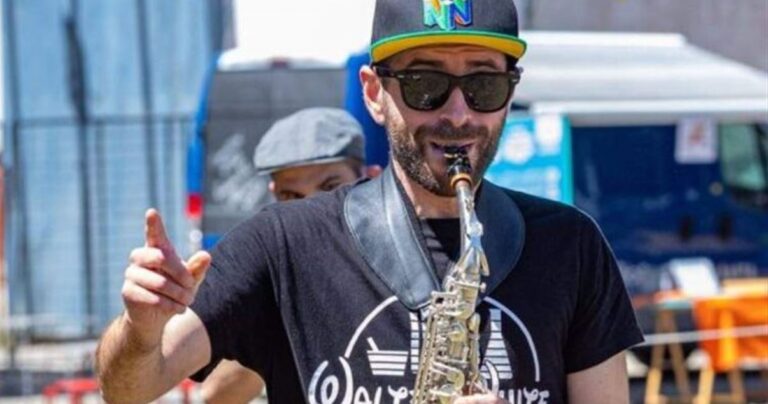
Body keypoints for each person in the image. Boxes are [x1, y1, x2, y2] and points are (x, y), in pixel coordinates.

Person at [95, 0, 644, 402]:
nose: (458, 114)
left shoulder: (571, 245)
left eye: (484, 87)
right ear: (375, 93)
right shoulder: (282, 243)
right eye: (425, 85)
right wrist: (140, 332)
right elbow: (128, 389)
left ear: (510, 94)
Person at [200, 107, 379, 403]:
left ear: (371, 178)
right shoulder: (268, 266)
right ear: (273, 195)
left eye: (330, 188)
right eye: (291, 196)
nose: (313, 208)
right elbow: (216, 394)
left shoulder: (402, 250)